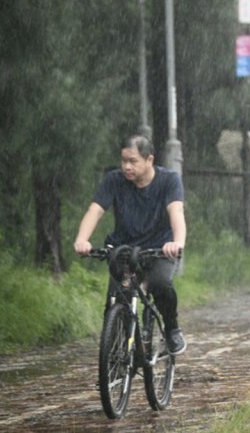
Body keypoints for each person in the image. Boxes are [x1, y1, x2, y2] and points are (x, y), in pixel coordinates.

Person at [74, 135, 188, 355]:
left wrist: (177, 242)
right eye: (124, 160)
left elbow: (177, 211)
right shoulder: (114, 181)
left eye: (133, 161)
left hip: (159, 249)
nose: (126, 166)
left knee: (160, 283)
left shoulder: (169, 180)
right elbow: (95, 210)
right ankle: (116, 354)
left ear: (149, 160)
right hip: (124, 250)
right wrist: (82, 239)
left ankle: (172, 329)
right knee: (120, 295)